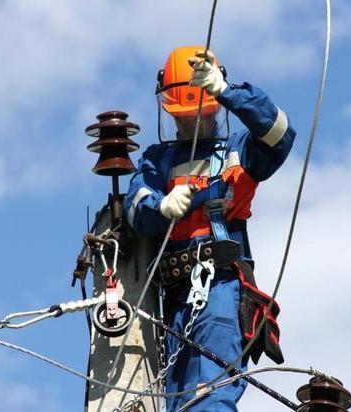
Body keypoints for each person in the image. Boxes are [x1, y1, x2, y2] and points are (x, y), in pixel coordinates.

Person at [124, 45, 296, 411]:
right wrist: (162, 206)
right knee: (173, 398)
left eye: (200, 111)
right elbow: (136, 206)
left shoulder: (240, 151)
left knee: (209, 394)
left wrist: (227, 91)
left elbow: (280, 134)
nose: (193, 121)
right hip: (171, 300)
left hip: (220, 288)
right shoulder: (159, 160)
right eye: (185, 116)